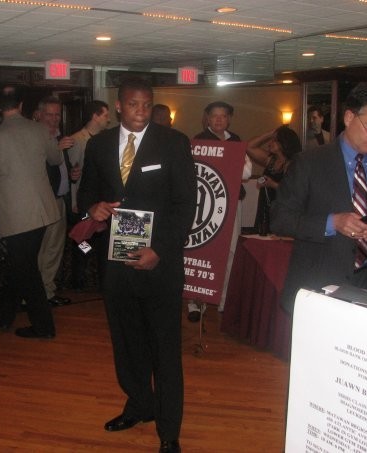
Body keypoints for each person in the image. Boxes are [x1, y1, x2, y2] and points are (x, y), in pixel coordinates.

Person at [77, 77, 196, 453]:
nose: (141, 111)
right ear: (118, 106)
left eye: (147, 104)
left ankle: (169, 430)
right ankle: (140, 405)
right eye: (133, 104)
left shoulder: (173, 143)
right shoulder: (98, 144)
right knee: (127, 343)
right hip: (117, 261)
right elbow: (86, 192)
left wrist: (159, 249)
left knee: (165, 349)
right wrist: (92, 207)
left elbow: (185, 205)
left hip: (160, 264)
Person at [271, 83, 367, 314]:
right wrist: (332, 222)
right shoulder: (309, 163)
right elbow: (280, 219)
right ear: (349, 117)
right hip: (317, 288)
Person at [0, 85, 61, 339]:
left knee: (26, 270)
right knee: (18, 265)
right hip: (44, 212)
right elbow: (56, 160)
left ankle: (44, 327)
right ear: (21, 105)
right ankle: (4, 314)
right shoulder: (40, 129)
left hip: (18, 216)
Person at [193, 101, 252, 313]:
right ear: (207, 118)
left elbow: (247, 172)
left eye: (223, 116)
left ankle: (223, 299)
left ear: (229, 119)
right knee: (202, 249)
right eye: (214, 116)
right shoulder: (199, 141)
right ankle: (196, 301)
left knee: (231, 250)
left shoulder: (235, 141)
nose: (219, 120)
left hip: (232, 202)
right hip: (206, 204)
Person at [67, 100, 110, 290]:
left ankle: (97, 276)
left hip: (100, 201)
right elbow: (73, 173)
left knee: (98, 239)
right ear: (95, 116)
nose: (108, 119)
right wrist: (76, 201)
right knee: (82, 241)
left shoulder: (104, 140)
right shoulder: (77, 140)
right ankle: (78, 277)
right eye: (105, 115)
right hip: (83, 202)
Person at [36, 96, 72, 307]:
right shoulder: (35, 138)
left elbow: (61, 169)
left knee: (54, 249)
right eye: (49, 114)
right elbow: (38, 168)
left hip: (60, 200)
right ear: (39, 115)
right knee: (41, 250)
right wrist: (57, 148)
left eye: (57, 114)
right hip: (42, 203)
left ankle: (47, 292)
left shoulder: (60, 136)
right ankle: (36, 294)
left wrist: (72, 174)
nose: (54, 118)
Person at [246, 126, 301, 235]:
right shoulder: (271, 160)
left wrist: (272, 184)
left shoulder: (294, 164)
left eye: (274, 140)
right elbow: (249, 147)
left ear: (284, 143)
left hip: (281, 210)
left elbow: (294, 192)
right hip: (266, 207)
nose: (270, 143)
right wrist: (270, 133)